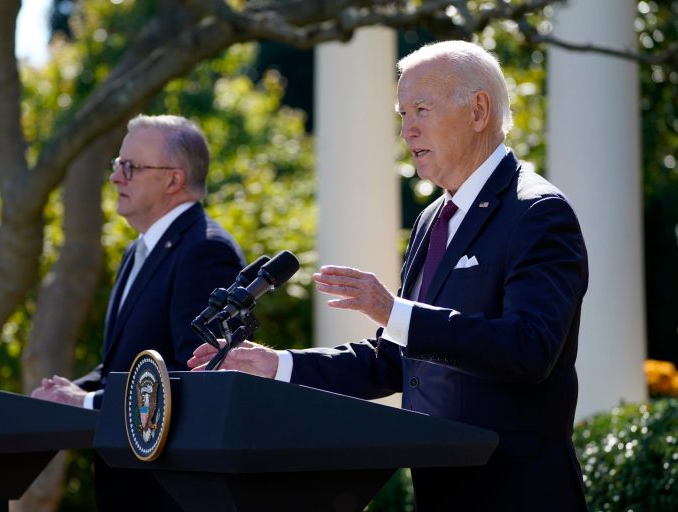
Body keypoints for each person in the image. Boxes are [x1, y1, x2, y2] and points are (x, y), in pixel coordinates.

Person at [189, 40, 589, 511]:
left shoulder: (537, 212)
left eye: (421, 109)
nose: (407, 130)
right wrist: (279, 366)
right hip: (439, 492)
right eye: (402, 114)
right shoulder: (431, 219)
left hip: (519, 493)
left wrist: (394, 311)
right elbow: (393, 361)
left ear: (479, 110)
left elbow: (529, 348)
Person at [33, 114, 245, 510]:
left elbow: (194, 380)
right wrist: (61, 396)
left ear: (173, 180)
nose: (116, 177)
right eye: (117, 165)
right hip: (127, 485)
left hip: (170, 494)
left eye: (130, 167)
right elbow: (124, 366)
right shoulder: (138, 251)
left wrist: (84, 404)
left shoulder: (204, 252)